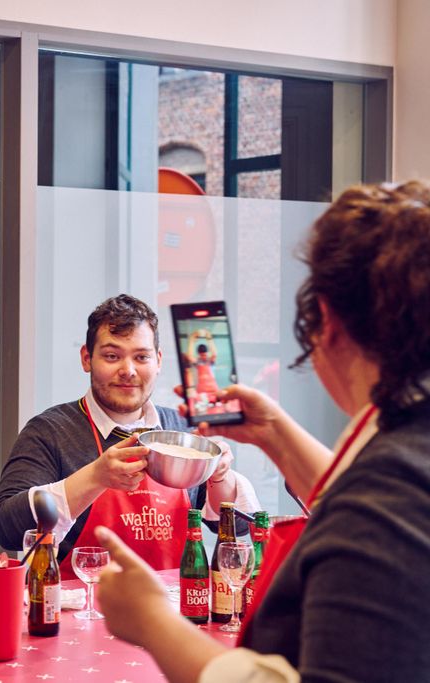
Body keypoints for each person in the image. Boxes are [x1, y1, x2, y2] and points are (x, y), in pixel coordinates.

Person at [93, 181, 430, 682]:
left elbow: (367, 506)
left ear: (327, 323)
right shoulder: (405, 450)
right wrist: (273, 433)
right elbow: (353, 498)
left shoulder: (386, 492)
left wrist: (154, 623)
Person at [0, 294, 259, 575]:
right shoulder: (50, 431)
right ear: (87, 358)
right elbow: (7, 527)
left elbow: (238, 527)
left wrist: (220, 475)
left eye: (141, 357)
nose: (128, 370)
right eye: (112, 356)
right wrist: (95, 477)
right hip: (83, 610)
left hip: (171, 613)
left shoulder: (181, 431)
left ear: (157, 361)